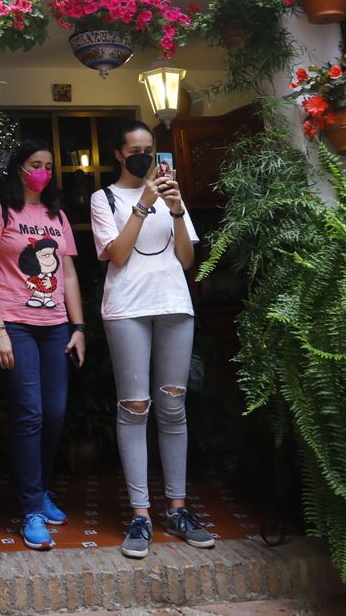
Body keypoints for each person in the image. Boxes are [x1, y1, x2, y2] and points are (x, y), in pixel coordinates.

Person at [89, 121, 215, 559]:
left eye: (150, 149)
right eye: (135, 149)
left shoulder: (171, 195)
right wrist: (144, 203)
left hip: (174, 305)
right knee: (135, 407)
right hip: (126, 308)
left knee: (173, 405)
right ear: (120, 155)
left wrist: (176, 210)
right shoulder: (103, 198)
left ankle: (178, 508)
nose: (144, 155)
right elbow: (118, 255)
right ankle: (140, 514)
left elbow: (186, 259)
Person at [0, 138, 84, 550]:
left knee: (55, 413)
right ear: (19, 168)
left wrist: (79, 327)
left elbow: (70, 275)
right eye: (36, 164)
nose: (43, 171)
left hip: (56, 325)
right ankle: (31, 509)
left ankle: (38, 490)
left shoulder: (56, 214)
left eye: (49, 165)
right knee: (29, 415)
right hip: (17, 325)